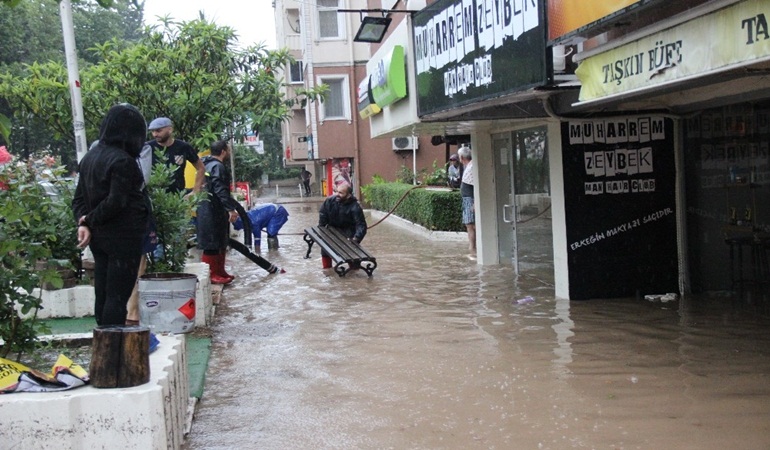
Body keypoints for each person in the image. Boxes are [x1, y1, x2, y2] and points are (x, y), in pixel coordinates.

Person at [71, 103, 150, 326]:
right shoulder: (123, 161)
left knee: (103, 292)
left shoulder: (90, 157)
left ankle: (103, 340)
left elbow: (78, 199)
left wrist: (84, 223)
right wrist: (89, 220)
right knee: (117, 296)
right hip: (123, 238)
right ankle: (113, 344)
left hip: (100, 238)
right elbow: (118, 201)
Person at [197, 140, 239, 284]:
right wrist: (230, 209)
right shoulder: (217, 167)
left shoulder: (205, 164)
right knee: (213, 243)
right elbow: (220, 189)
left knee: (219, 242)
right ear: (223, 151)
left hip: (207, 208)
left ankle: (220, 271)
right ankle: (212, 274)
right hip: (213, 210)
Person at [145, 117, 205, 194]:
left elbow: (201, 168)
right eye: (153, 131)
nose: (155, 134)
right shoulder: (147, 148)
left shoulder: (183, 147)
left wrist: (195, 190)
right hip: (154, 196)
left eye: (158, 131)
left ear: (170, 130)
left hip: (177, 198)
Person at [318, 182, 367, 269]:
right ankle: (327, 270)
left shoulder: (355, 207)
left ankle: (354, 270)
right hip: (332, 229)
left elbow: (361, 225)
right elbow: (322, 215)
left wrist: (356, 238)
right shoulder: (329, 201)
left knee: (352, 253)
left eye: (341, 193)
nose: (337, 194)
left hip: (348, 232)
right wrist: (323, 232)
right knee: (325, 248)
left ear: (348, 195)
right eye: (337, 191)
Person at [458, 144, 476, 257]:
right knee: (470, 225)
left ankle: (473, 249)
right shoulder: (469, 166)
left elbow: (475, 186)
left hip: (470, 200)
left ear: (462, 158)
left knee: (470, 226)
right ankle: (472, 248)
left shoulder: (471, 167)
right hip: (467, 199)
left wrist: (475, 203)